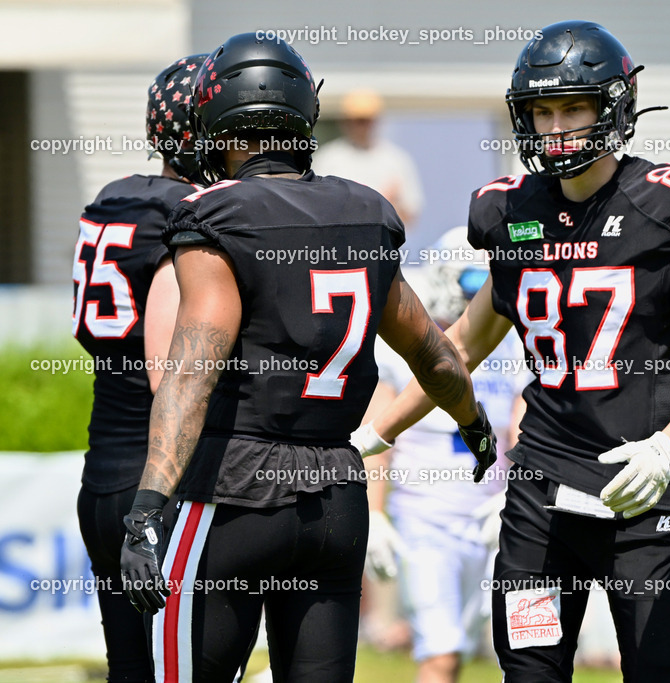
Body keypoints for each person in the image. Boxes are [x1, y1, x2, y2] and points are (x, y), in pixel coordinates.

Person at [353, 20, 670, 682]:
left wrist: (667, 448)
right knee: (531, 672)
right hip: (541, 498)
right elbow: (457, 351)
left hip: (640, 495)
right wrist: (375, 432)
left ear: (611, 108)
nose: (556, 126)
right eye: (543, 111)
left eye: (573, 108)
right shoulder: (515, 215)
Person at [116, 33, 497, 683]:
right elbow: (432, 353)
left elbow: (192, 372)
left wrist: (148, 505)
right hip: (335, 498)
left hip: (232, 490)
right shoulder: (366, 211)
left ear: (218, 119)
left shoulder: (217, 212)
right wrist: (474, 422)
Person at [73, 54, 205, 683]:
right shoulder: (192, 214)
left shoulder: (114, 196)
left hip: (101, 467)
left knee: (131, 666)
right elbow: (172, 376)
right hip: (160, 479)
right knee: (185, 664)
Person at [362, 229, 529, 682]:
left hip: (493, 517)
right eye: (468, 283)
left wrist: (517, 498)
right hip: (427, 520)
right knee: (441, 654)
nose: (475, 297)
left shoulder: (507, 342)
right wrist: (375, 514)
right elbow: (379, 440)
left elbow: (520, 423)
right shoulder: (404, 348)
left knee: (522, 648)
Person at [313, 89, 425, 228]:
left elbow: (411, 215)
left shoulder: (396, 160)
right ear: (345, 122)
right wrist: (380, 204)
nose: (362, 126)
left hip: (383, 244)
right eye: (357, 120)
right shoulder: (328, 159)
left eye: (366, 120)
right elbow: (315, 207)